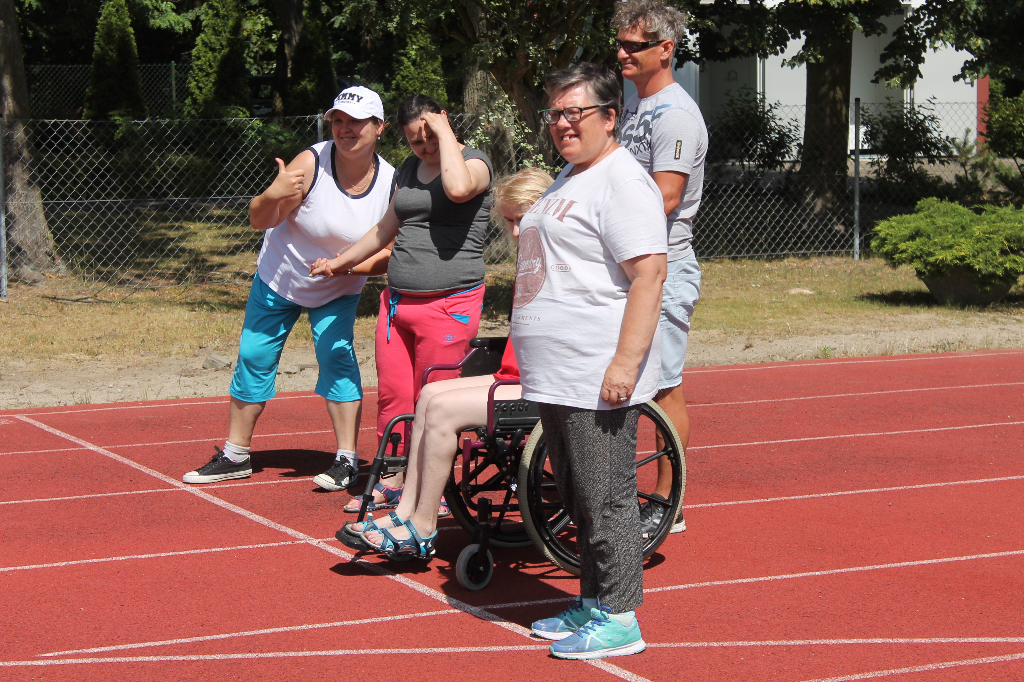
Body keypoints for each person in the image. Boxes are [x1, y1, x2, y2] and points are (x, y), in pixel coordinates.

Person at [512, 63, 667, 660]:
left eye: (575, 112)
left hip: (596, 369)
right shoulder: (572, 174)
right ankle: (595, 600)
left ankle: (622, 616)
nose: (562, 123)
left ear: (610, 116)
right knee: (577, 495)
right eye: (554, 112)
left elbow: (649, 275)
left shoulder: (622, 181)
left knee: (606, 497)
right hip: (558, 371)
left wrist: (626, 363)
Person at [182, 86, 395, 488]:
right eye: (338, 121)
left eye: (356, 122)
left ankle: (347, 460)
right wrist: (271, 194)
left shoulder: (391, 182)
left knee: (337, 360)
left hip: (339, 284)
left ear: (378, 127)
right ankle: (235, 455)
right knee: (253, 355)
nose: (346, 129)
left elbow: (393, 255)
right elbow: (260, 219)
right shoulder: (312, 162)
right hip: (280, 276)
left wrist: (343, 267)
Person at [334, 168, 554, 555]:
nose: (516, 232)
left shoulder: (563, 263)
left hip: (545, 381)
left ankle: (423, 525)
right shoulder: (533, 258)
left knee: (442, 409)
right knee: (430, 393)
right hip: (515, 373)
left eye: (523, 220)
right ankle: (406, 510)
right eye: (509, 222)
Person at [309, 95, 494, 510]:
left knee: (437, 401)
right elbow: (384, 230)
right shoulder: (409, 169)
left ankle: (434, 490)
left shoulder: (476, 164)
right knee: (394, 398)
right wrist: (341, 263)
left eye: (431, 137)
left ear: (445, 122)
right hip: (398, 305)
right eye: (415, 141)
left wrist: (442, 132)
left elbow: (458, 187)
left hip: (450, 303)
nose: (426, 147)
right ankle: (392, 479)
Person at [614, 0, 707, 537]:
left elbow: (666, 196)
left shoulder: (673, 112)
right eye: (621, 44)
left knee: (662, 385)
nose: (622, 53)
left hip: (663, 264)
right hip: (630, 265)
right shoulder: (635, 104)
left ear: (665, 50)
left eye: (635, 46)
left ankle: (669, 502)